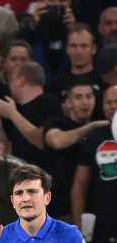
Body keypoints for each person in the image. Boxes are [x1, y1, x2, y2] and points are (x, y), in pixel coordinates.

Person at [43, 79, 110, 220]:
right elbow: (57, 141)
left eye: (89, 96)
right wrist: (90, 128)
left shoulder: (104, 128)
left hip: (94, 209)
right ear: (68, 102)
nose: (85, 102)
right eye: (78, 97)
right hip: (61, 209)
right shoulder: (56, 122)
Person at [71, 84, 117, 243]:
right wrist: (78, 228)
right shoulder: (94, 137)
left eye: (116, 101)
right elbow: (80, 185)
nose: (112, 106)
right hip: (102, 223)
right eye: (108, 102)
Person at [0, 61, 62, 170]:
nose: (10, 87)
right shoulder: (17, 110)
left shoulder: (49, 102)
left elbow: (42, 140)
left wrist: (13, 114)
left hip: (43, 178)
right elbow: (7, 151)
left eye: (11, 81)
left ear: (20, 81)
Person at [48, 24, 105, 104]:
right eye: (73, 46)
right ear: (67, 49)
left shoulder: (104, 81)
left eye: (84, 46)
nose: (78, 52)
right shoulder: (56, 85)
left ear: (94, 49)